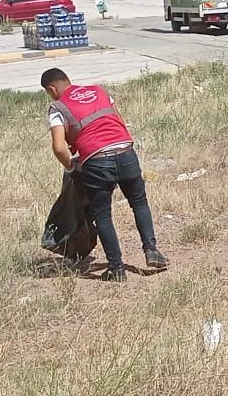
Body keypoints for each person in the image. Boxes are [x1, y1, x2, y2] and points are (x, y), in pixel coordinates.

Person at [42, 67, 169, 282]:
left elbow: (58, 147)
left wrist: (71, 168)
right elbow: (119, 120)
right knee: (139, 202)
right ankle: (151, 251)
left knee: (102, 214)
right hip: (125, 151)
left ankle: (116, 268)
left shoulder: (58, 107)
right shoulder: (99, 92)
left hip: (96, 160)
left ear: (52, 89)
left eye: (49, 92)